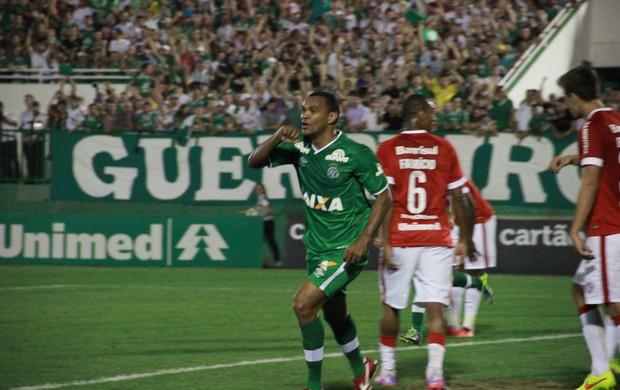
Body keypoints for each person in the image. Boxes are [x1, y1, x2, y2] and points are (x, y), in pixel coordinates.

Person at [248, 91, 392, 390]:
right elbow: (254, 162)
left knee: (303, 304)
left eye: (313, 110)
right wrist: (276, 137)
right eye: (303, 110)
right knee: (335, 314)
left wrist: (364, 240)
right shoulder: (299, 148)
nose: (304, 115)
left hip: (347, 248)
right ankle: (361, 370)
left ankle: (313, 384)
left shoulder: (355, 152)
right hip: (317, 248)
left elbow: (384, 197)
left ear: (331, 117)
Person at [374, 94, 476, 389]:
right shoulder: (444, 148)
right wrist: (464, 241)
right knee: (435, 307)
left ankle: (389, 372)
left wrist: (385, 239)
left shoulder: (388, 148)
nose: (435, 118)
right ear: (417, 115)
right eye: (431, 113)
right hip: (436, 238)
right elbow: (460, 196)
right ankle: (435, 374)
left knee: (392, 307)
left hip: (402, 238)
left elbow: (385, 198)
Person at [548, 66, 619, 390]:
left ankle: (602, 371)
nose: (568, 106)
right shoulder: (615, 120)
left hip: (608, 223)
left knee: (614, 302)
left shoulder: (590, 125)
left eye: (568, 99)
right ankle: (601, 368)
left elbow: (591, 182)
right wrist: (574, 158)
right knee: (581, 288)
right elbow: (605, 159)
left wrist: (576, 228)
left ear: (575, 97)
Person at [244, 183, 282, 267]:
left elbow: (269, 210)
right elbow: (259, 210)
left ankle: (277, 261)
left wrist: (260, 217)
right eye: (257, 189)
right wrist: (249, 212)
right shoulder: (259, 199)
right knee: (263, 240)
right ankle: (260, 260)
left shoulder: (263, 199)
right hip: (264, 222)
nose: (258, 190)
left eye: (260, 189)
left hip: (267, 222)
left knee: (270, 241)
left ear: (263, 190)